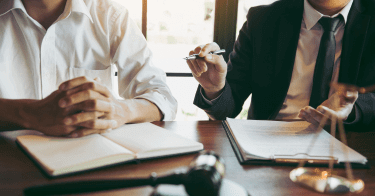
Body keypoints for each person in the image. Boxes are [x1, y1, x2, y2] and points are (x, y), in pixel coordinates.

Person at [187, 0, 375, 131]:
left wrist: (354, 109)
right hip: (268, 147)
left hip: (348, 147)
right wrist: (214, 88)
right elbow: (227, 109)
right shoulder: (262, 20)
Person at [0, 0, 177, 137]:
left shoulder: (110, 16)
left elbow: (162, 98)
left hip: (93, 161)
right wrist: (31, 114)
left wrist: (119, 110)